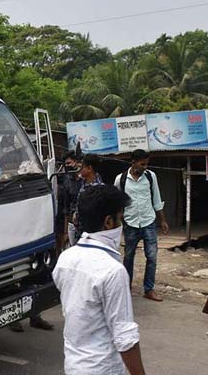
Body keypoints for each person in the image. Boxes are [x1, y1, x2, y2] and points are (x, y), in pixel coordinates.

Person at [53, 185, 146, 375]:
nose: (122, 225)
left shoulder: (65, 259)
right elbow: (125, 337)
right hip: (103, 369)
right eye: (120, 219)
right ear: (109, 222)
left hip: (74, 366)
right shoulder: (113, 271)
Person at [115, 149, 168, 302]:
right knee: (129, 257)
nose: (145, 167)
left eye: (147, 163)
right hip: (130, 224)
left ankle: (149, 289)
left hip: (148, 222)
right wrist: (118, 221)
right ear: (133, 162)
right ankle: (126, 288)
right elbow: (117, 201)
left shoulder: (151, 177)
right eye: (142, 163)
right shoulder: (121, 179)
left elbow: (156, 199)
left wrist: (162, 220)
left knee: (152, 257)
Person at [70, 154, 104, 241]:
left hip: (91, 236)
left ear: (89, 168)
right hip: (80, 232)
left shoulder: (99, 189)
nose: (80, 169)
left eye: (82, 167)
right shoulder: (83, 183)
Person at [57, 150, 82, 252]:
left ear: (76, 162)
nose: (67, 166)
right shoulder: (67, 181)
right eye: (65, 164)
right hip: (73, 222)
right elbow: (66, 208)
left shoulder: (85, 178)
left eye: (69, 163)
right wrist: (66, 232)